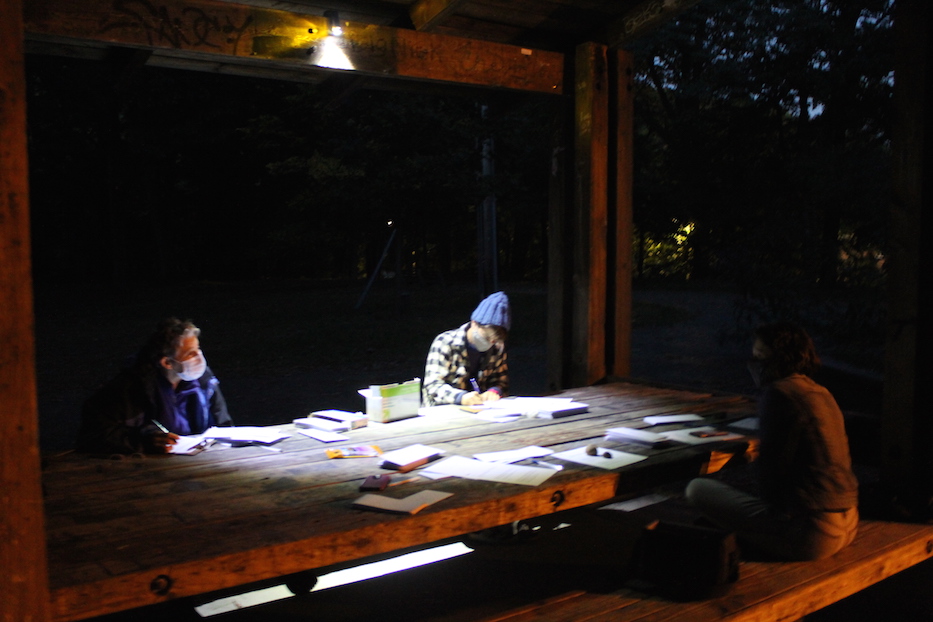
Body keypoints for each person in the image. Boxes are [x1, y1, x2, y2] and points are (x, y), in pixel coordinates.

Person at [685, 321, 859, 561]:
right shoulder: (819, 391)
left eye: (759, 358)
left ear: (777, 360)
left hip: (812, 532)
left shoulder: (779, 393)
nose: (753, 365)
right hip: (849, 520)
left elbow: (771, 471)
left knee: (697, 488)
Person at [77, 317, 232, 454]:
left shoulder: (204, 381)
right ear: (167, 362)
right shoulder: (131, 387)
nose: (199, 358)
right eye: (190, 353)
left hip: (200, 463)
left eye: (198, 349)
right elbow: (95, 435)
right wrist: (144, 441)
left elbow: (224, 426)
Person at [422, 291, 510, 407]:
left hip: (482, 412)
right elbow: (433, 386)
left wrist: (494, 391)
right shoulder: (445, 342)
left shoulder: (497, 347)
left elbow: (501, 381)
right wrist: (461, 397)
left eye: (495, 340)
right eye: (487, 337)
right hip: (443, 412)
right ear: (474, 323)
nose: (491, 343)